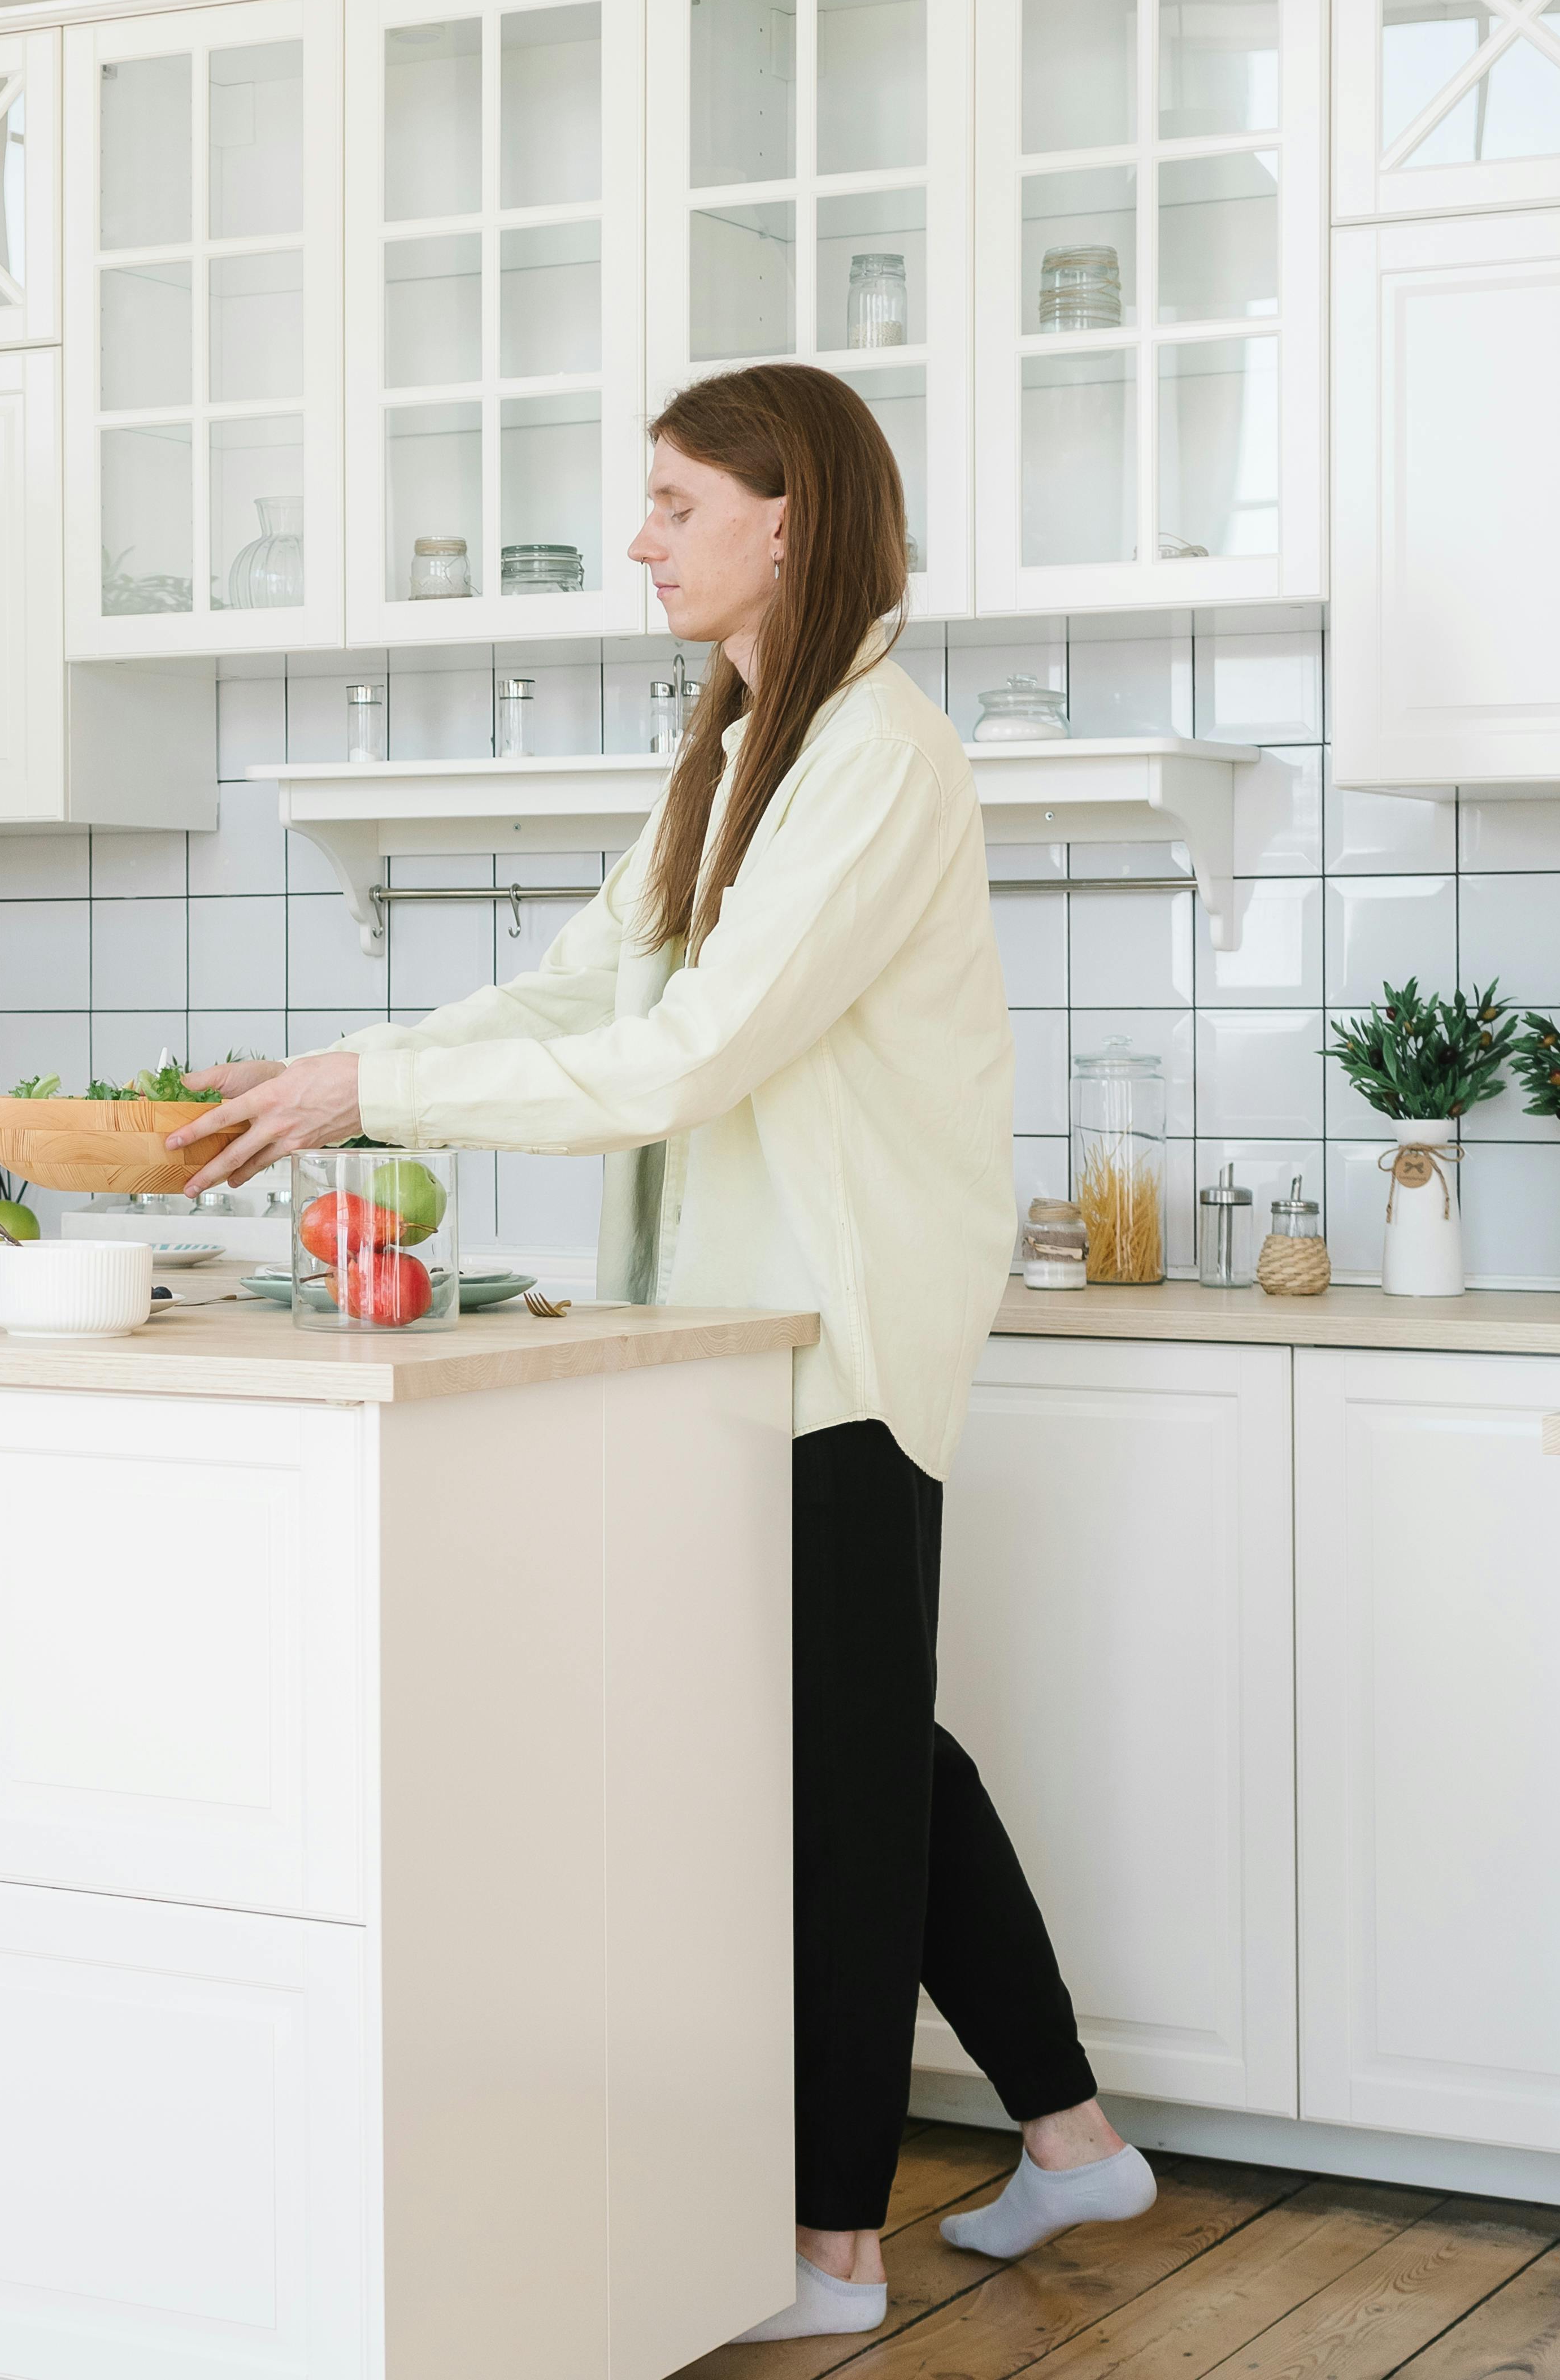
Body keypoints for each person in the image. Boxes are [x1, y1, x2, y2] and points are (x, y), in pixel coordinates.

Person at [166, 364, 1149, 2339]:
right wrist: (334, 1077)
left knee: (839, 1783)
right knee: (863, 1745)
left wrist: (377, 1091)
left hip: (833, 1333)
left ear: (787, 519)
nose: (638, 537)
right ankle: (1067, 2138)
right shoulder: (733, 745)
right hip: (723, 1343)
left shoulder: (873, 755)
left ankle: (829, 2246)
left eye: (673, 500)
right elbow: (579, 984)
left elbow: (696, 1052)